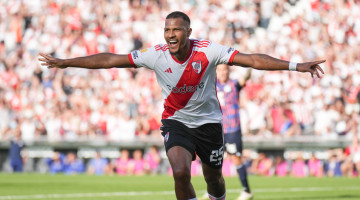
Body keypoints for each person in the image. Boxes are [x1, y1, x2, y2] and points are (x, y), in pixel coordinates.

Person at [39, 11, 325, 200]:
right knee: (179, 172)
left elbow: (252, 60)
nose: (171, 35)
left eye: (176, 29)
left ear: (189, 31)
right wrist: (66, 62)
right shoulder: (155, 55)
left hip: (210, 124)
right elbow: (109, 59)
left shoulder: (208, 50)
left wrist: (296, 66)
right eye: (167, 30)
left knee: (214, 180)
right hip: (176, 122)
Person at [214, 64, 253, 200]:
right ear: (216, 72)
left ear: (228, 71)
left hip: (232, 128)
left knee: (236, 158)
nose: (223, 72)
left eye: (225, 69)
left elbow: (245, 78)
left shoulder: (234, 84)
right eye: (220, 70)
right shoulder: (212, 85)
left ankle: (247, 190)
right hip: (217, 129)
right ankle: (213, 190)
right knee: (213, 161)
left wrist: (250, 69)